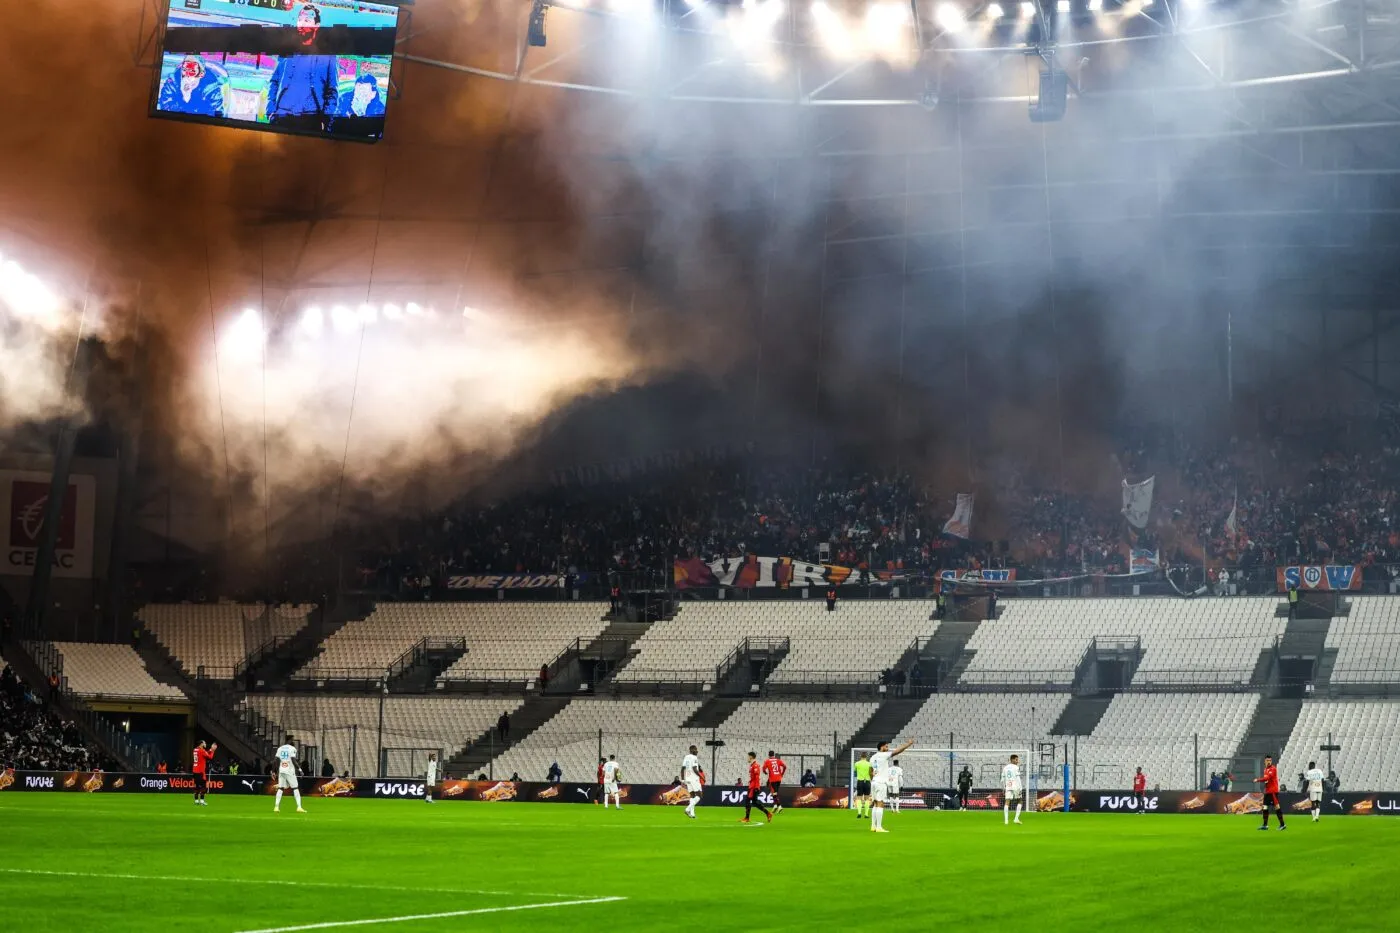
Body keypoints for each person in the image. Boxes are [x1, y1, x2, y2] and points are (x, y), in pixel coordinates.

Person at [264, 4, 340, 133]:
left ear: (316, 25)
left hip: (311, 120)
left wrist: (325, 120)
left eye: (307, 20)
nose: (301, 24)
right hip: (281, 117)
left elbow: (332, 91)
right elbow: (274, 81)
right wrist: (271, 110)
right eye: (299, 19)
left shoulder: (328, 56)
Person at [157, 55, 226, 117]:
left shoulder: (212, 89)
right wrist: (185, 98)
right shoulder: (172, 83)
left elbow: (217, 114)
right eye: (184, 70)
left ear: (201, 74)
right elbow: (165, 108)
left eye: (192, 71)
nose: (187, 76)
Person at [869, 740, 914, 833]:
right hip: (881, 783)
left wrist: (872, 779)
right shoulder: (883, 755)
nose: (887, 748)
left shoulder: (873, 757)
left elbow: (870, 771)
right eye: (886, 746)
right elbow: (897, 751)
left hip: (874, 782)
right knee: (880, 804)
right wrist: (908, 744)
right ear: (881, 747)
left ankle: (873, 826)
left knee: (875, 804)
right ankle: (879, 827)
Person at [274, 734, 306, 814]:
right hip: (289, 770)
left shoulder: (280, 748)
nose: (293, 741)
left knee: (280, 788)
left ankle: (276, 807)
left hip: (281, 770)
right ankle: (299, 807)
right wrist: (300, 769)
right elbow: (293, 760)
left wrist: (274, 771)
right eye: (292, 740)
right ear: (289, 740)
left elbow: (276, 760)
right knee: (295, 788)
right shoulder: (292, 749)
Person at [741, 751, 773, 824]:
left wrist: (756, 787)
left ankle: (747, 818)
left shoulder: (755, 765)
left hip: (754, 786)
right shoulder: (752, 765)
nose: (747, 758)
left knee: (748, 801)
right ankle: (768, 813)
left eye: (748, 757)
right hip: (752, 785)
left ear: (751, 757)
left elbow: (757, 777)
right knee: (754, 802)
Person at [1254, 755, 1285, 831]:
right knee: (1264, 807)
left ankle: (1282, 824)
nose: (1268, 762)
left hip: (1273, 791)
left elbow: (1267, 778)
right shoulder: (1265, 769)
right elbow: (1266, 780)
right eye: (1267, 760)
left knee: (1277, 807)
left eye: (1270, 760)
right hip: (1268, 791)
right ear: (1265, 761)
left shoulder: (1273, 769)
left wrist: (1258, 780)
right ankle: (1265, 825)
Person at [681, 744, 704, 820]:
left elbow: (682, 768)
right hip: (694, 779)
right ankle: (687, 809)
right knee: (699, 796)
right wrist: (701, 777)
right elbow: (695, 769)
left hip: (688, 779)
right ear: (692, 750)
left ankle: (692, 814)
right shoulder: (694, 757)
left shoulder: (686, 757)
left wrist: (683, 779)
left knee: (692, 795)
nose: (697, 751)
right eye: (695, 749)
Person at [192, 740, 217, 807]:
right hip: (200, 771)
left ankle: (196, 801)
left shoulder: (195, 750)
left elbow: (204, 754)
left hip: (195, 771)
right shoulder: (202, 751)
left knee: (197, 786)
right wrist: (213, 750)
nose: (205, 744)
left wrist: (210, 750)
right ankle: (202, 801)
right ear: (201, 744)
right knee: (204, 786)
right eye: (204, 743)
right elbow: (210, 757)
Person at [1003, 754, 1023, 826]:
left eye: (1017, 760)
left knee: (1007, 802)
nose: (1017, 761)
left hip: (1008, 786)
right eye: (1016, 759)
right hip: (1015, 786)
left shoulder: (1005, 768)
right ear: (1012, 760)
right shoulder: (1016, 767)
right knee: (1020, 801)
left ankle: (1006, 821)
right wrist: (1020, 787)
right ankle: (1016, 819)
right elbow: (1018, 778)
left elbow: (1003, 779)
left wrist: (1003, 787)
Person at [853, 752, 873, 819]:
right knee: (867, 798)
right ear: (866, 757)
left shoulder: (856, 763)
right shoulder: (869, 764)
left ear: (860, 756)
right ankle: (866, 814)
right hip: (867, 781)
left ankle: (859, 813)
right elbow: (871, 773)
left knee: (859, 797)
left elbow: (854, 771)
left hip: (860, 781)